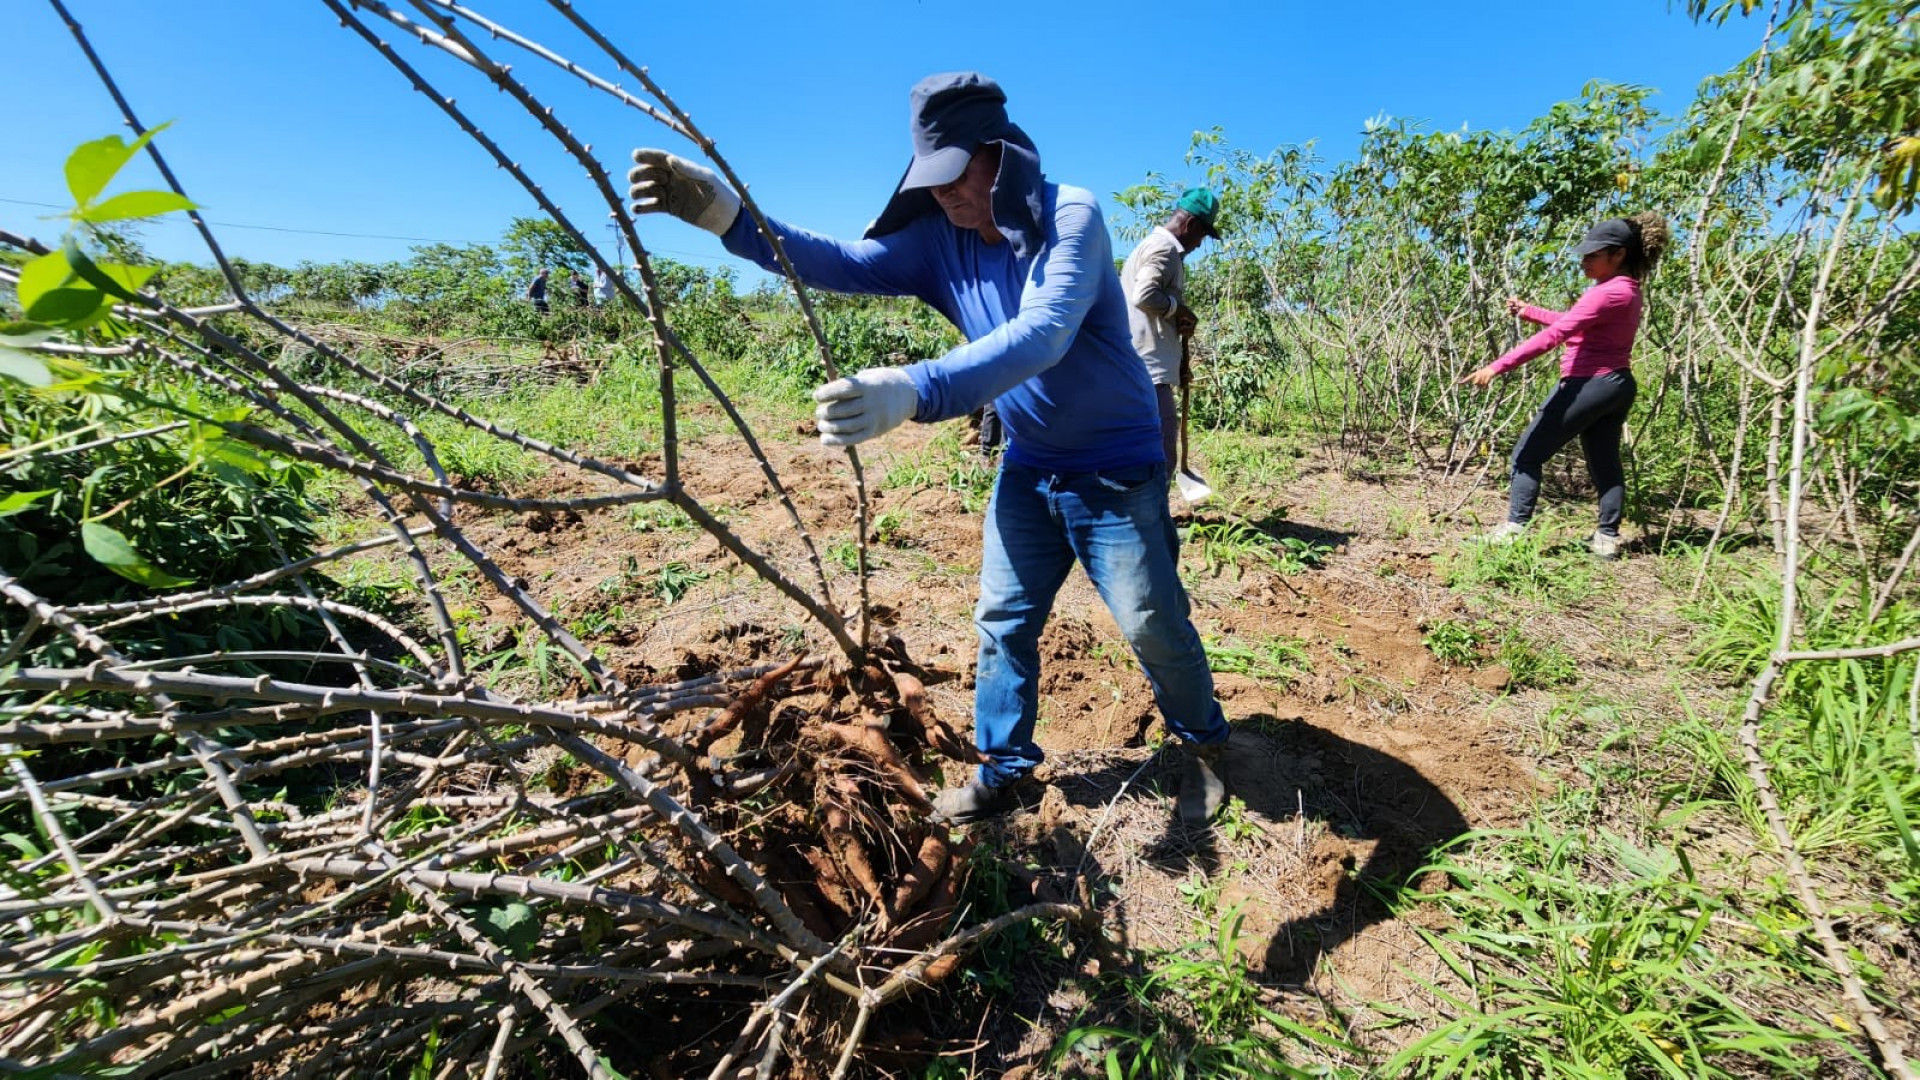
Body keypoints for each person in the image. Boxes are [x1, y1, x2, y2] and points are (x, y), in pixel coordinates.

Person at [630, 72, 1234, 827]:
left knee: (1150, 620)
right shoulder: (935, 240)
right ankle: (1002, 768)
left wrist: (916, 389)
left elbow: (1043, 334)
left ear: (1003, 158)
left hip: (1116, 470)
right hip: (1029, 466)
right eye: (932, 179)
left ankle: (1204, 748)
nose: (944, 194)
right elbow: (840, 262)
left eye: (957, 175)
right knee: (1002, 619)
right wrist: (732, 220)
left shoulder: (1071, 216)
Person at [1462, 213, 1670, 560]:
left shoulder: (1606, 293)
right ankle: (1606, 538)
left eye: (1592, 255)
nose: (1584, 261)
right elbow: (1576, 324)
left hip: (1588, 383)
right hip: (1615, 385)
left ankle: (1513, 531)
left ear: (1618, 254)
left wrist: (1497, 366)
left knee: (1526, 455)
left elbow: (1557, 336)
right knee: (1604, 461)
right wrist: (1531, 312)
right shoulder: (1624, 291)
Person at [1120, 188, 1219, 471]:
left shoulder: (1152, 247)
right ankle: (1154, 514)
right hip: (1148, 371)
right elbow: (1144, 295)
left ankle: (1148, 512)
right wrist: (1179, 309)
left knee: (1149, 451)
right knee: (1160, 455)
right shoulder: (1163, 250)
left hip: (1142, 366)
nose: (1200, 244)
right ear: (1191, 225)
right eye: (1202, 235)